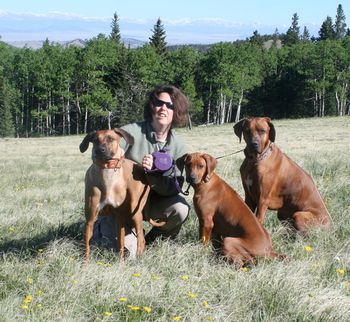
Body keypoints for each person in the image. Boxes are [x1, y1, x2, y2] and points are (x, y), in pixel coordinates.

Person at [92, 84, 190, 256]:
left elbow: (176, 188)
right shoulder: (132, 132)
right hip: (121, 204)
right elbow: (102, 156)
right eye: (159, 103)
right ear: (152, 106)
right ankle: (102, 226)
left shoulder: (179, 146)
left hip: (152, 203)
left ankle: (151, 241)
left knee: (180, 209)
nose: (163, 108)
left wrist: (154, 174)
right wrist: (123, 162)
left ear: (177, 111)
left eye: (170, 105)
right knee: (126, 254)